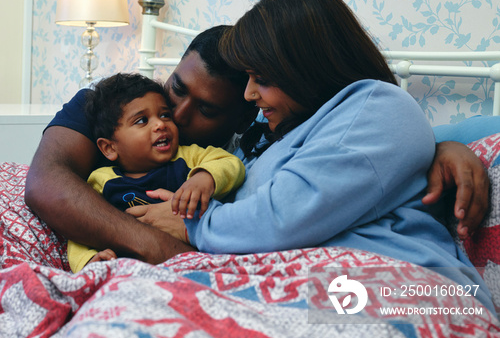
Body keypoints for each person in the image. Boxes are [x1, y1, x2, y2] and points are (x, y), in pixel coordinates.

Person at [25, 26, 489, 266]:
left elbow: (357, 156)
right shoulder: (108, 103)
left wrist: (444, 145)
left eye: (205, 110)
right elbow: (45, 185)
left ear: (247, 110)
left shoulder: (249, 144)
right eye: (177, 89)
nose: (177, 118)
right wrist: (158, 248)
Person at [156, 0, 492, 308]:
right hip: (315, 286)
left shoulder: (379, 106)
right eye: (248, 78)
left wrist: (194, 224)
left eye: (263, 79)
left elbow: (284, 217)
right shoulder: (267, 130)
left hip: (398, 286)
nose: (249, 94)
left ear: (307, 71)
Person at [67, 73, 245, 272]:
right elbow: (83, 226)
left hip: (186, 264)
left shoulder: (188, 156)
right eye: (142, 120)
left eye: (164, 115)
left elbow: (230, 162)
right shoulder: (102, 181)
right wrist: (88, 259)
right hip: (128, 270)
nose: (160, 124)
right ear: (110, 148)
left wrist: (205, 177)